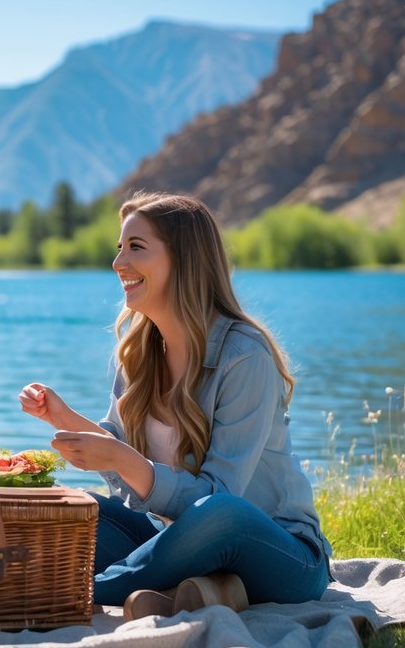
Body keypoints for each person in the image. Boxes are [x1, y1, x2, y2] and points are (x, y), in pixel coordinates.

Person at [19, 192, 331, 620]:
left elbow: (220, 500)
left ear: (183, 259)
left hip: (281, 553)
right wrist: (63, 418)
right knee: (81, 508)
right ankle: (190, 592)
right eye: (119, 248)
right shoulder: (137, 353)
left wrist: (124, 459)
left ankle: (80, 593)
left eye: (136, 248)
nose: (118, 263)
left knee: (218, 513)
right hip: (175, 538)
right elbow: (122, 462)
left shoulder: (244, 357)